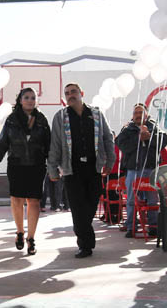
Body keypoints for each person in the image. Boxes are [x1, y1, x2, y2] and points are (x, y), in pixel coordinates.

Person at [47, 83, 115, 258]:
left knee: (91, 204)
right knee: (78, 208)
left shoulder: (97, 114)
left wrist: (111, 160)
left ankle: (86, 236)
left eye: (73, 92)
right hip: (72, 170)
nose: (70, 95)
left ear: (81, 93)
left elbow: (108, 138)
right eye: (67, 93)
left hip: (94, 168)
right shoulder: (60, 117)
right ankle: (85, 245)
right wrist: (52, 169)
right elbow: (54, 144)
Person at [0, 88, 51, 255]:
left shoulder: (42, 120)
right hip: (16, 165)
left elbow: (49, 145)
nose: (30, 100)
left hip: (37, 166)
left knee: (34, 201)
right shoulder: (11, 120)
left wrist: (53, 166)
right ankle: (19, 232)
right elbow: (3, 143)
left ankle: (31, 238)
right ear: (20, 100)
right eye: (27, 97)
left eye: (33, 97)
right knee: (17, 199)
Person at [116, 103, 167, 238]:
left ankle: (154, 227)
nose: (138, 115)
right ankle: (131, 227)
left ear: (147, 114)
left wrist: (149, 137)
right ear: (132, 116)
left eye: (141, 113)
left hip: (151, 170)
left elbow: (164, 140)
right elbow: (121, 144)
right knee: (131, 201)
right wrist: (138, 138)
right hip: (133, 170)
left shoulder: (154, 127)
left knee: (152, 200)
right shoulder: (127, 129)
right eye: (136, 113)